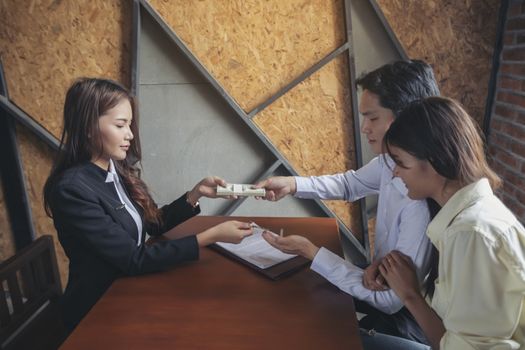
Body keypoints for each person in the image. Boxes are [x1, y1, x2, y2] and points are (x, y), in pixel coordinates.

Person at [43, 78, 253, 332]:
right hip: (98, 311)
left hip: (128, 290)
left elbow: (151, 224)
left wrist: (195, 194)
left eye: (129, 125)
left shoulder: (114, 169)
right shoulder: (72, 190)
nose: (130, 134)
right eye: (120, 125)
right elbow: (133, 259)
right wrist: (210, 237)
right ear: (88, 127)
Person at [257, 60, 440, 343]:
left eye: (373, 117)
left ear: (405, 118)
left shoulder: (421, 205)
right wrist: (292, 184)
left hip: (404, 320)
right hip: (378, 282)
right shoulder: (388, 162)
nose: (364, 127)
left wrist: (311, 251)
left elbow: (392, 301)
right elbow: (349, 184)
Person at [375, 96, 525, 349]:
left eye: (401, 162)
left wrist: (411, 296)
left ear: (436, 160)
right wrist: (395, 274)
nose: (395, 172)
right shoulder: (465, 218)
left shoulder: (470, 233)